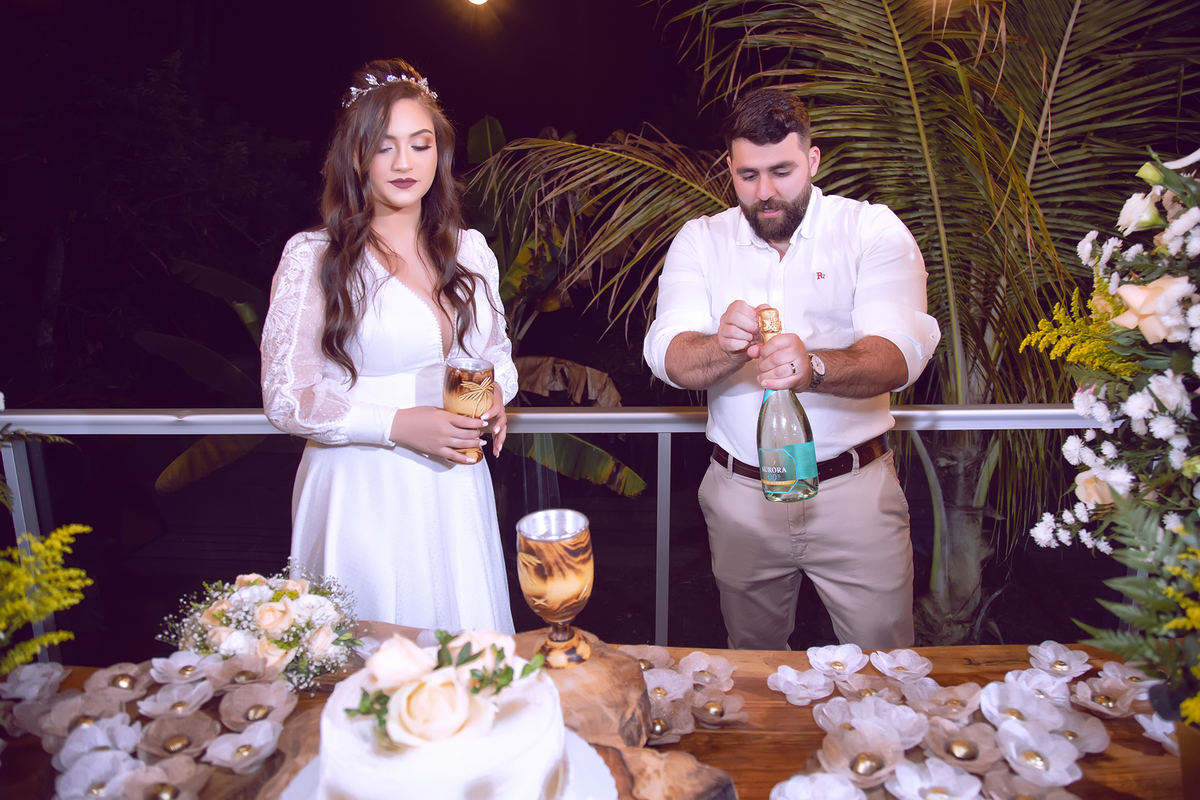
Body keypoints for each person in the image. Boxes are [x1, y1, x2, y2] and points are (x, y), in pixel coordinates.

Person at [643, 88, 941, 650]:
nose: (766, 192)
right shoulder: (701, 240)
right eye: (748, 175)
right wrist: (723, 347)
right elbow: (668, 354)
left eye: (781, 171)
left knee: (883, 668)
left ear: (812, 159)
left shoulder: (870, 230)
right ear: (729, 168)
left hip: (854, 494)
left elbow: (902, 353)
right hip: (740, 497)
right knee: (753, 667)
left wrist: (816, 367)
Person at [261, 59, 517, 633]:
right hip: (361, 483)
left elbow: (496, 354)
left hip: (456, 483)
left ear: (438, 153)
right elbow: (286, 397)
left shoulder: (471, 251)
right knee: (367, 659)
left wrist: (497, 392)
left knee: (466, 656)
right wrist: (396, 423)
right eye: (384, 147)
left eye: (420, 144)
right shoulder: (314, 257)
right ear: (356, 156)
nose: (405, 163)